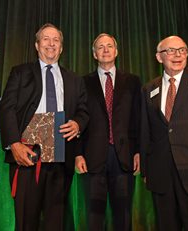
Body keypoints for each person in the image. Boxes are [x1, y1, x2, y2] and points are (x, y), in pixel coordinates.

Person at [0, 23, 88, 231]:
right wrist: (13, 143)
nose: (51, 44)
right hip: (27, 156)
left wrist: (77, 123)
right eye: (46, 39)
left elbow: (84, 111)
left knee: (55, 221)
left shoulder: (75, 79)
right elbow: (7, 108)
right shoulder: (20, 72)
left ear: (62, 47)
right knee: (26, 220)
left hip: (61, 157)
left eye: (56, 40)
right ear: (37, 45)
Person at [75, 33, 141, 231]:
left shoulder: (132, 81)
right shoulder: (82, 83)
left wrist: (138, 151)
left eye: (109, 46)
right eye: (100, 47)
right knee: (94, 217)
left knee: (123, 216)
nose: (105, 50)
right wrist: (78, 153)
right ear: (94, 54)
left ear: (116, 51)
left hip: (124, 156)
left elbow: (137, 119)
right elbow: (77, 119)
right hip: (93, 158)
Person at [141, 35, 188, 231]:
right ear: (159, 57)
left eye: (182, 50)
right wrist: (146, 170)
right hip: (160, 173)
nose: (177, 55)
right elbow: (146, 131)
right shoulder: (149, 89)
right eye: (171, 50)